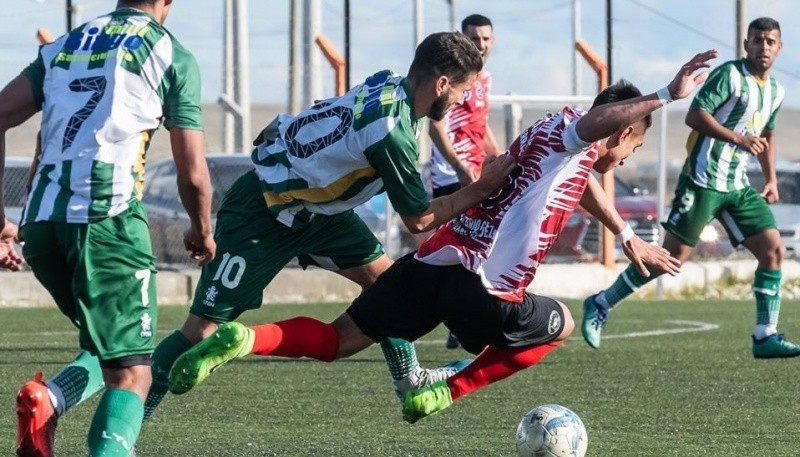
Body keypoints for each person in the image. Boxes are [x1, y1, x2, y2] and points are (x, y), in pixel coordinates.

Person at [167, 51, 719, 424]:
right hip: (483, 292)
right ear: (622, 130)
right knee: (560, 326)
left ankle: (244, 341)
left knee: (340, 340)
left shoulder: (551, 135)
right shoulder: (581, 133)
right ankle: (442, 392)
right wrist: (666, 94)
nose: (627, 158)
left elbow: (581, 180)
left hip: (431, 267)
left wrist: (625, 233)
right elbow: (594, 141)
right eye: (633, 148)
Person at [141, 30, 517, 422]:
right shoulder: (392, 133)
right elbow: (419, 218)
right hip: (265, 208)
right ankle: (127, 430)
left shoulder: (387, 83)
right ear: (441, 84)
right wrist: (483, 189)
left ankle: (411, 380)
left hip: (320, 214)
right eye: (462, 91)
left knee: (388, 286)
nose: (461, 101)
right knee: (200, 329)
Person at [0, 1, 216, 455]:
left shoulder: (65, 44)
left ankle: (48, 400)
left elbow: (4, 114)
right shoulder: (169, 53)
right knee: (134, 373)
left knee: (113, 347)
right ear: (167, 3)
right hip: (109, 221)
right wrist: (201, 228)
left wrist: (1, 219)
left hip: (41, 226)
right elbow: (192, 171)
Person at [581, 17, 800, 359]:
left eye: (770, 41)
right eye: (757, 40)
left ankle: (765, 334)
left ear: (780, 47)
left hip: (738, 185)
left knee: (773, 250)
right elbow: (695, 115)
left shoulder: (775, 91)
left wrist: (770, 177)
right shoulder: (729, 75)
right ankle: (600, 302)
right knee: (670, 259)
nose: (763, 47)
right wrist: (737, 138)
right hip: (703, 180)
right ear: (746, 44)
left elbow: (767, 136)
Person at [427, 14, 502, 350]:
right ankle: (460, 321)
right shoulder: (455, 77)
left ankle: (464, 321)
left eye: (485, 38)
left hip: (475, 173)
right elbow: (436, 124)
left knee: (481, 249)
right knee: (460, 252)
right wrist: (458, 167)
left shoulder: (484, 78)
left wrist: (501, 160)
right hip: (452, 176)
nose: (480, 44)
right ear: (462, 37)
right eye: (473, 37)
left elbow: (479, 125)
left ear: (493, 41)